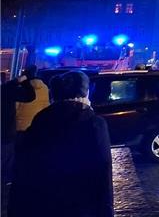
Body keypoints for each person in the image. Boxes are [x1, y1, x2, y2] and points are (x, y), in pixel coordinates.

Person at [8, 71, 113, 217]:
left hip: (42, 205)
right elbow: (103, 171)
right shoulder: (94, 124)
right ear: (86, 93)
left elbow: (23, 168)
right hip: (80, 207)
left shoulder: (42, 119)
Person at [1, 72, 35, 185]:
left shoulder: (6, 89)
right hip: (5, 133)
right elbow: (30, 96)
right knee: (6, 162)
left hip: (6, 133)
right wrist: (24, 81)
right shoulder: (6, 90)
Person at [15, 65, 50, 138]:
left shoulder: (22, 87)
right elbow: (46, 106)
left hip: (21, 125)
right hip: (37, 125)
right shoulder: (45, 88)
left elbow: (15, 108)